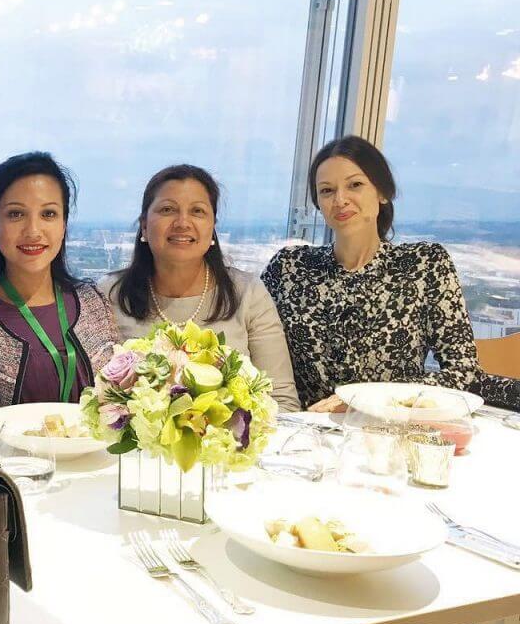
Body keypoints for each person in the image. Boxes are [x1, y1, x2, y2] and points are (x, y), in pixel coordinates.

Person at [262, 134, 518, 414]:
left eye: (355, 185)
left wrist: (364, 400)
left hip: (389, 437)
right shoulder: (289, 267)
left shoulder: (425, 265)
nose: (340, 199)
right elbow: (245, 340)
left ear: (382, 192)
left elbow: (463, 374)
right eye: (326, 191)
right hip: (302, 436)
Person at [0, 152, 117, 439]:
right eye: (16, 214)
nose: (33, 231)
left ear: (64, 225)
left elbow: (117, 407)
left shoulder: (95, 302)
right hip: (7, 478)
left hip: (92, 477)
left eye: (48, 214)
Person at [99, 164, 299, 412]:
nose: (182, 222)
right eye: (167, 209)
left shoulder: (249, 293)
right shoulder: (108, 294)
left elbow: (281, 401)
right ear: (144, 226)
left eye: (197, 211)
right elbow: (96, 398)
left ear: (212, 227)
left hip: (234, 448)